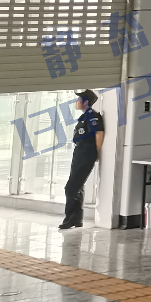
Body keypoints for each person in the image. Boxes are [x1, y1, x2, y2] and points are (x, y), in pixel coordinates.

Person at [59, 89, 104, 230]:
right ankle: (77, 219)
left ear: (86, 102)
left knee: (71, 188)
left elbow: (99, 132)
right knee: (77, 186)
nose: (76, 102)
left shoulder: (93, 116)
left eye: (79, 100)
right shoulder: (85, 116)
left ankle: (70, 218)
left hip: (86, 152)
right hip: (79, 151)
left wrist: (96, 151)